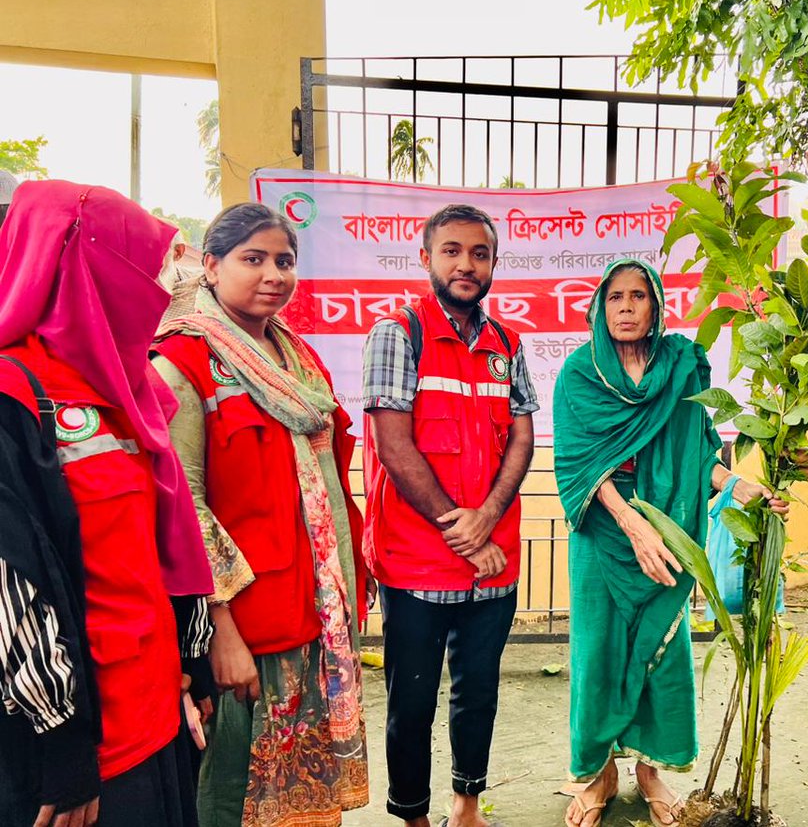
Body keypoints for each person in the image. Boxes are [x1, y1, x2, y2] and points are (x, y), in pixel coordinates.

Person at [0, 181, 215, 827]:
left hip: (154, 718)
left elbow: (161, 549)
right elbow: (13, 583)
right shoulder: (14, 396)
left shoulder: (126, 385)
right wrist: (63, 750)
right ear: (83, 273)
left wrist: (191, 663)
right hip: (82, 753)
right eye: (143, 275)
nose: (161, 291)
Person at [152, 203, 369, 827]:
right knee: (233, 793)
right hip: (247, 626)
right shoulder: (183, 363)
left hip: (315, 610)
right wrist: (221, 630)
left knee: (306, 799)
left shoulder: (298, 359)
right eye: (253, 259)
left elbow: (326, 484)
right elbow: (182, 504)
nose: (273, 273)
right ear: (212, 266)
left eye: (284, 260)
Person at [553, 260, 787, 827]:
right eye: (616, 297)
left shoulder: (682, 368)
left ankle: (649, 771)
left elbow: (697, 454)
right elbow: (578, 467)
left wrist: (736, 484)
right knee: (598, 652)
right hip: (604, 527)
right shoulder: (580, 374)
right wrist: (636, 526)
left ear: (657, 305)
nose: (627, 307)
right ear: (600, 307)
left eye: (639, 296)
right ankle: (598, 772)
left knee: (664, 656)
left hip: (672, 528)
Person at [361, 203, 536, 827]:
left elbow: (521, 437)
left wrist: (487, 517)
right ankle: (412, 816)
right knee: (410, 702)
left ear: (492, 264)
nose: (467, 264)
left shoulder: (508, 343)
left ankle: (467, 803)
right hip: (414, 562)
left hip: (493, 560)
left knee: (478, 694)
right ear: (426, 258)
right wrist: (462, 529)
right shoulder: (397, 333)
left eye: (480, 253)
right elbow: (393, 445)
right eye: (452, 251)